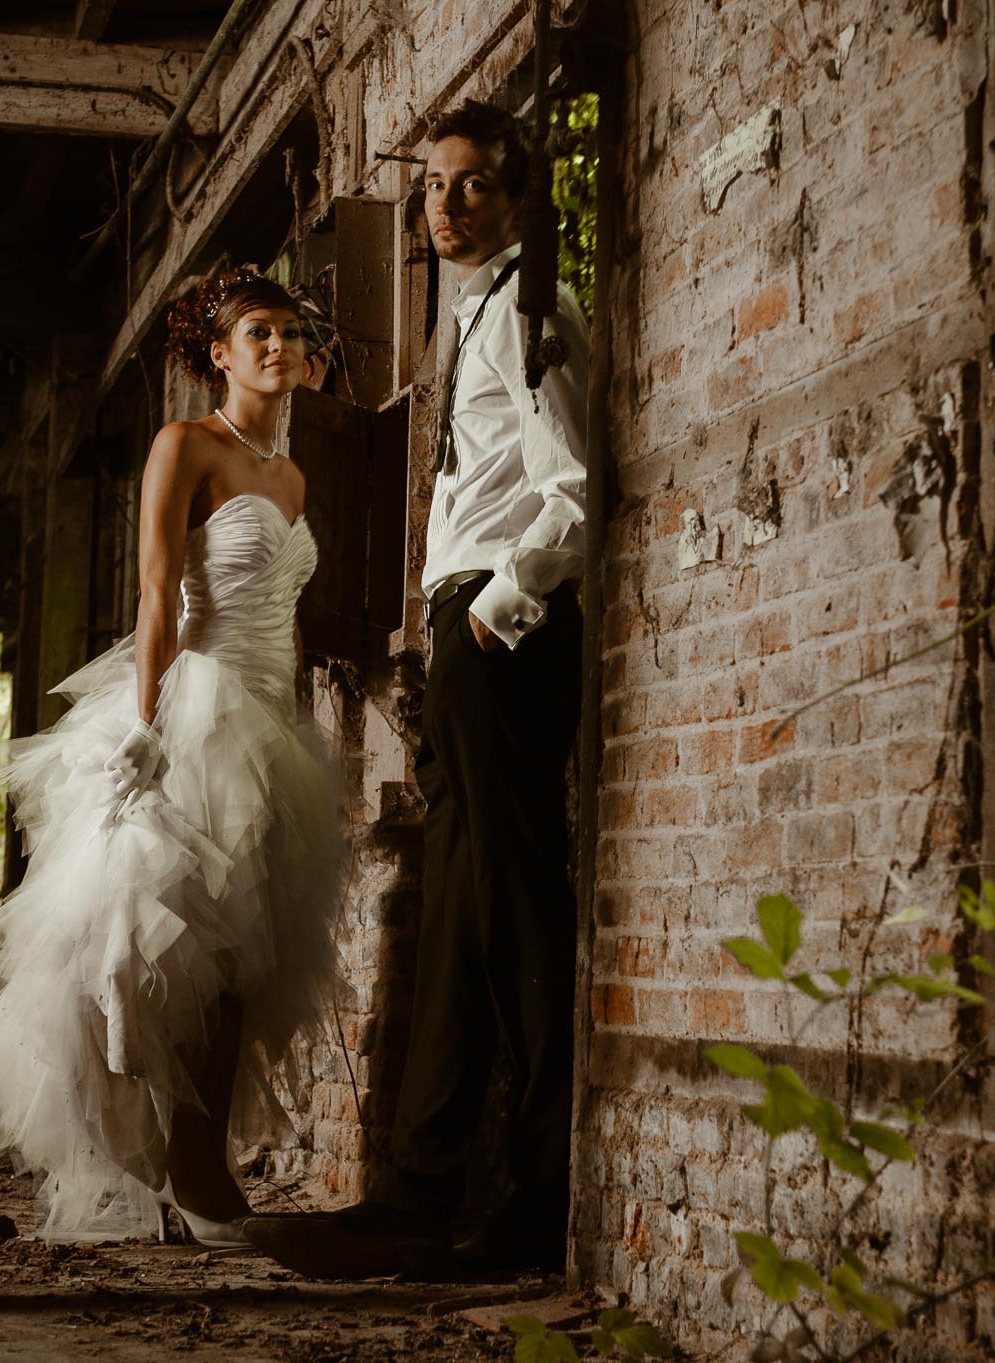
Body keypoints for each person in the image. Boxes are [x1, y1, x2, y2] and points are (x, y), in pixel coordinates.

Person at [245, 98, 590, 1278]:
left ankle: (535, 1207)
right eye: (434, 186)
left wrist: (495, 614)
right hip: (464, 632)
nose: (445, 207)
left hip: (506, 625)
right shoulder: (476, 314)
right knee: (456, 920)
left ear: (517, 195)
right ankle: (416, 1198)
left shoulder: (531, 313)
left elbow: (574, 492)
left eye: (472, 184)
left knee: (514, 912)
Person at [0, 270, 344, 1246]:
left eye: (289, 332)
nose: (275, 346)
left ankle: (197, 1160)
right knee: (175, 948)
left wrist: (294, 724)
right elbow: (157, 589)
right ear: (218, 353)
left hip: (267, 717)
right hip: (193, 703)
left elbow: (287, 619)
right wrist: (146, 720)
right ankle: (186, 1166)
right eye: (256, 331)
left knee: (246, 958)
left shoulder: (294, 476)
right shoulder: (186, 445)